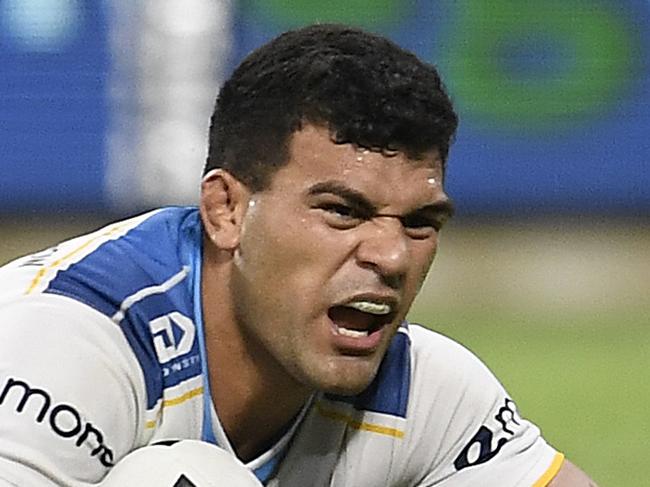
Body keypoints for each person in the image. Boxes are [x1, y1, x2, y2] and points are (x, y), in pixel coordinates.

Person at [0, 24, 598, 486]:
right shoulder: (62, 347)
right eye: (342, 211)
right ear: (227, 210)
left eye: (419, 222)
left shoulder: (421, 391)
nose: (391, 257)